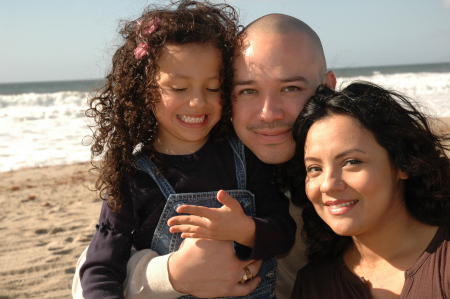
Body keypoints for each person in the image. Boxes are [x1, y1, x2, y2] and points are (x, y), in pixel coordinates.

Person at [75, 1, 296, 298]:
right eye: (179, 88)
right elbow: (101, 269)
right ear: (144, 89)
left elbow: (284, 234)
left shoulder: (245, 158)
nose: (197, 102)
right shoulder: (133, 178)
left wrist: (244, 229)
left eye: (213, 87)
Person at [113, 13, 337, 299]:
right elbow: (91, 272)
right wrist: (171, 275)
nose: (268, 113)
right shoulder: (207, 166)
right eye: (248, 91)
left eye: (290, 88)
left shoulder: (368, 172)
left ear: (327, 87)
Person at [291, 81, 450, 298]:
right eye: (315, 168)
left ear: (402, 164)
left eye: (352, 161)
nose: (328, 184)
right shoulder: (314, 285)